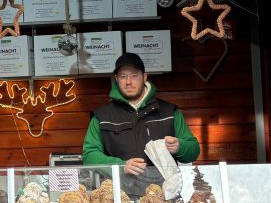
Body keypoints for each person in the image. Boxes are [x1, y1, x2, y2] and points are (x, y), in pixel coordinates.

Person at [81, 53, 200, 194]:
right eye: (123, 76)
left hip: (164, 198)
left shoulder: (169, 112)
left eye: (134, 75)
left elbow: (193, 150)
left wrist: (180, 146)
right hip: (119, 199)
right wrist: (121, 166)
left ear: (144, 77)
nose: (128, 81)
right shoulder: (102, 116)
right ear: (116, 80)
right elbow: (89, 155)